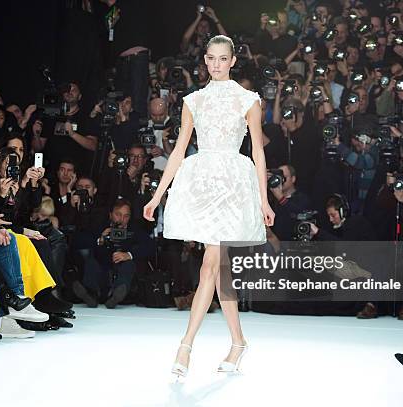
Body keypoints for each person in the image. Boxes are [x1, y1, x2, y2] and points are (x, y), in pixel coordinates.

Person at [143, 35, 275, 377]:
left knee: (210, 265)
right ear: (205, 60)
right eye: (211, 58)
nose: (216, 64)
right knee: (220, 270)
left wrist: (264, 199)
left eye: (222, 58)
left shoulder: (248, 100)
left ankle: (185, 347)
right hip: (203, 184)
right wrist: (157, 196)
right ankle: (238, 342)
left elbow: (258, 151)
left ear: (232, 61)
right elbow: (178, 150)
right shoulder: (194, 100)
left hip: (233, 187)